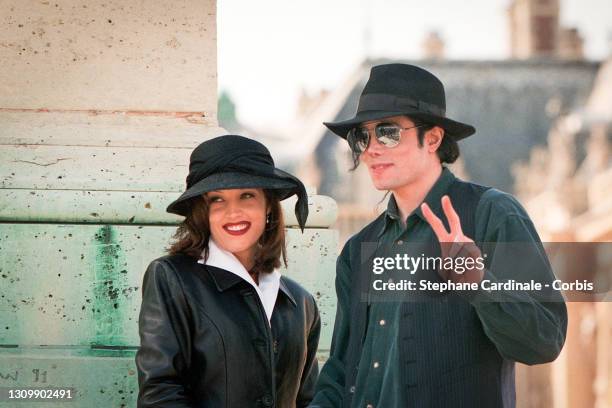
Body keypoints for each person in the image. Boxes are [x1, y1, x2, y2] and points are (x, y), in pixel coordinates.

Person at [310, 64, 567, 407]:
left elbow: (545, 341)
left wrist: (479, 283)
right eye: (362, 137)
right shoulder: (359, 250)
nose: (371, 148)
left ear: (432, 138)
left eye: (388, 132)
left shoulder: (493, 214)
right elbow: (340, 373)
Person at [136, 135, 321, 408]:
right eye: (217, 200)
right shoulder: (172, 278)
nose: (232, 212)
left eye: (247, 195)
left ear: (268, 205)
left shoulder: (301, 303)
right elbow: (160, 395)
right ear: (203, 210)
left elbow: (310, 400)